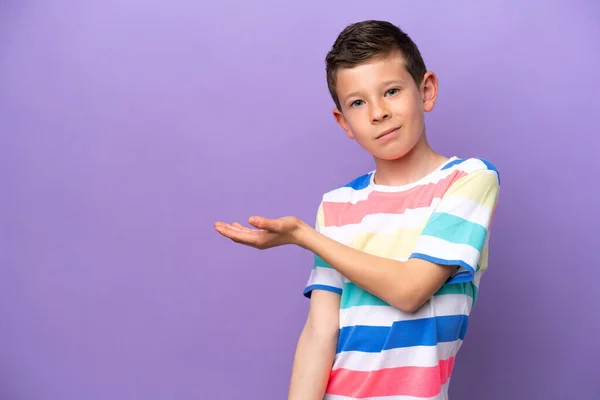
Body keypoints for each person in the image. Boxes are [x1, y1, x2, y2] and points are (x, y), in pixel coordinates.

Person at [214, 19, 500, 400]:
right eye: (358, 103)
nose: (378, 113)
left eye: (392, 91)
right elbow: (320, 330)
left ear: (426, 90)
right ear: (344, 122)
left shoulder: (468, 180)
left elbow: (410, 290)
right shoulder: (337, 204)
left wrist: (305, 237)